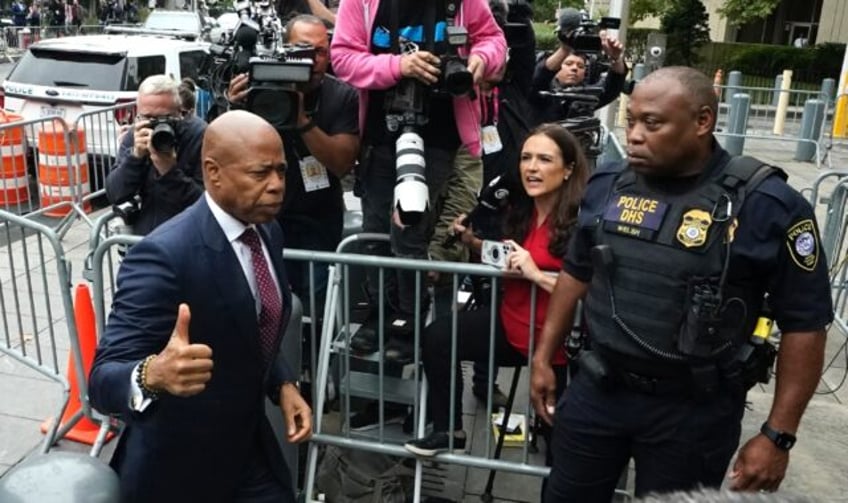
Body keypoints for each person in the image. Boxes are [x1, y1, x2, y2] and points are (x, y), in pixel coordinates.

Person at [530, 67, 832, 500]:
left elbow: (806, 323)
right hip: (598, 391)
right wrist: (544, 357)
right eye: (631, 120)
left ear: (702, 122)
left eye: (652, 123)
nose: (634, 134)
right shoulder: (606, 185)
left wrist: (778, 435)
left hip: (694, 412)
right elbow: (578, 273)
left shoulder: (768, 205)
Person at [89, 110, 313, 503]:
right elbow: (101, 381)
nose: (277, 185)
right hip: (180, 469)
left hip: (247, 447)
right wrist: (151, 375)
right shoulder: (165, 255)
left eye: (281, 170)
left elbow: (251, 324)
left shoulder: (267, 231)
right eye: (261, 174)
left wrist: (282, 383)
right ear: (214, 172)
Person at [330, 0, 506, 359]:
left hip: (440, 134)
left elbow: (494, 40)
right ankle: (379, 314)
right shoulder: (361, 3)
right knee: (377, 228)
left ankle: (408, 318)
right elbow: (344, 58)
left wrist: (480, 60)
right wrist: (399, 66)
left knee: (409, 227)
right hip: (381, 133)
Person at [404, 123, 588, 456]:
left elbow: (587, 289)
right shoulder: (520, 211)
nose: (531, 168)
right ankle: (448, 429)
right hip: (511, 327)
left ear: (568, 169)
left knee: (560, 447)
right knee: (439, 337)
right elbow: (505, 256)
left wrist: (535, 274)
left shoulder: (583, 222)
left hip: (557, 347)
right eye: (526, 158)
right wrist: (470, 241)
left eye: (544, 159)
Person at [228, 14, 359, 306]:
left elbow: (342, 163)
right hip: (263, 218)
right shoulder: (261, 84)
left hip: (318, 219)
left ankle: (312, 353)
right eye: (302, 50)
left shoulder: (343, 96)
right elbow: (230, 151)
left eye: (321, 51)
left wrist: (300, 118)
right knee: (265, 303)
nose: (312, 60)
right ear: (284, 51)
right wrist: (233, 109)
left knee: (318, 305)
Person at [106, 75, 206, 236]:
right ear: (138, 114)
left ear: (180, 113)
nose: (156, 125)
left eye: (164, 118)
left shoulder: (200, 136)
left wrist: (169, 172)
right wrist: (135, 157)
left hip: (190, 237)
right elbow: (114, 193)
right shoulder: (137, 134)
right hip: (149, 237)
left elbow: (206, 203)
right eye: (148, 118)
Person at [530, 8, 627, 124]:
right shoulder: (541, 93)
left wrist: (616, 58)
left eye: (581, 66)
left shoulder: (587, 96)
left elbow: (612, 88)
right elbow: (538, 78)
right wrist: (565, 48)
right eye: (568, 64)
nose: (575, 68)